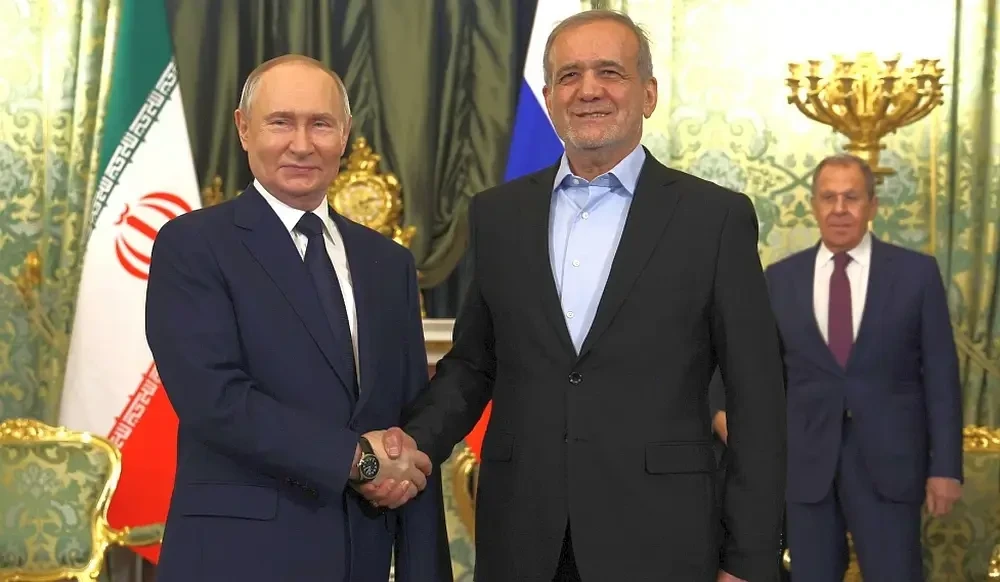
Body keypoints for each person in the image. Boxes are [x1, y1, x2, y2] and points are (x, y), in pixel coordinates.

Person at [368, 10, 786, 582]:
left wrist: (749, 559)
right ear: (548, 98)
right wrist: (410, 444)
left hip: (663, 538)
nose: (588, 90)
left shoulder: (714, 219)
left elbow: (757, 400)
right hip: (524, 535)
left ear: (648, 94)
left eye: (609, 72)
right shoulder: (497, 215)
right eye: (569, 76)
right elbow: (473, 366)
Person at [145, 54, 452, 582]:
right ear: (244, 129)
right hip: (236, 558)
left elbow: (407, 423)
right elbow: (214, 400)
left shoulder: (388, 262)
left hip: (361, 556)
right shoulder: (192, 245)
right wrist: (357, 459)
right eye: (281, 122)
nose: (302, 144)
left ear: (345, 133)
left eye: (321, 124)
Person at [764, 154, 963, 581]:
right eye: (829, 197)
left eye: (851, 197)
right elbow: (765, 373)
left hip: (891, 467)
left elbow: (942, 378)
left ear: (873, 205)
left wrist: (946, 467)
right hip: (806, 469)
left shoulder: (916, 274)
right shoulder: (779, 279)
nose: (839, 209)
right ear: (814, 205)